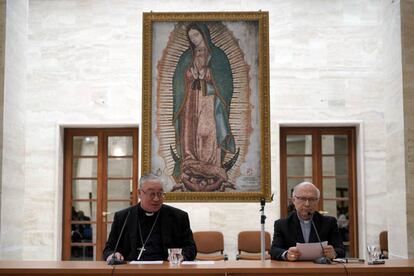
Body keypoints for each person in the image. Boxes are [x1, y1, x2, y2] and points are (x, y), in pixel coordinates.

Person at [171, 22, 237, 192]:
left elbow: (226, 81)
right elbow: (178, 80)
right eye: (191, 37)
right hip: (191, 100)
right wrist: (188, 75)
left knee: (207, 131)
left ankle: (211, 165)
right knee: (191, 131)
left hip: (210, 100)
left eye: (196, 35)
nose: (194, 39)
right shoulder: (186, 56)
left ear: (204, 34)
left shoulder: (218, 56)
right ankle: (190, 160)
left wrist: (208, 74)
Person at [103, 173, 197, 262]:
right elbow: (109, 249)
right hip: (132, 271)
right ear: (139, 193)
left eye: (160, 194)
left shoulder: (179, 217)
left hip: (166, 270)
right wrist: (112, 255)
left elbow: (191, 248)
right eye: (152, 194)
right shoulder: (123, 217)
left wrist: (182, 256)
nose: (156, 198)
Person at [270, 182, 345, 261]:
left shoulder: (329, 223)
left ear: (317, 201)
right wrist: (286, 254)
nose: (307, 204)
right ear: (293, 200)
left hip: (320, 269)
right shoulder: (282, 224)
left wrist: (334, 253)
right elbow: (274, 250)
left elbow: (341, 250)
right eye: (302, 199)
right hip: (294, 269)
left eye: (312, 199)